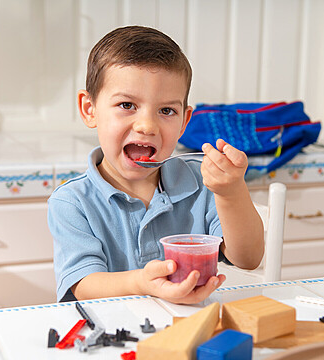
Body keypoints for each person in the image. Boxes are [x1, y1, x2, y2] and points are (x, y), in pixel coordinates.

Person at [48, 25, 264, 304]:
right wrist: (142, 282)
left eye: (166, 111)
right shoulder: (72, 202)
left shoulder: (202, 185)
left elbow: (248, 258)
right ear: (90, 110)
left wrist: (232, 192)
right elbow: (83, 285)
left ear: (185, 122)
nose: (147, 126)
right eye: (127, 105)